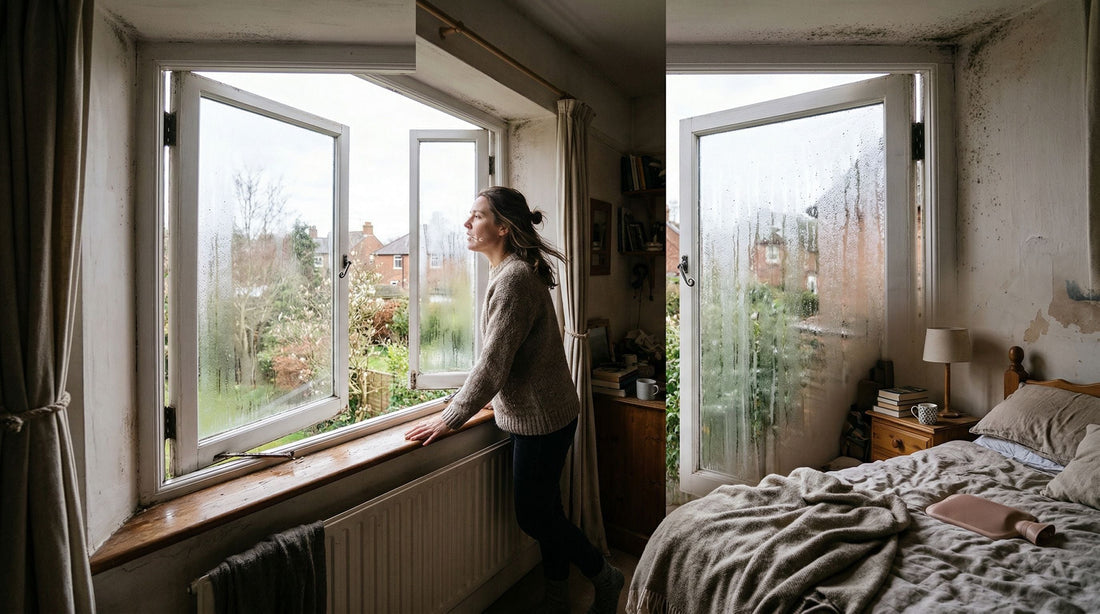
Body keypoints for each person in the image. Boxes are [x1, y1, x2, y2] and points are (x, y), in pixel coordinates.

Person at [404, 186, 624, 614]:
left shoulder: (514, 279)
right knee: (549, 512)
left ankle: (604, 575)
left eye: (477, 216)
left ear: (502, 227)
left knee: (534, 516)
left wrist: (450, 417)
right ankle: (558, 598)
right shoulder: (509, 271)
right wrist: (484, 401)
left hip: (543, 420)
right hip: (548, 411)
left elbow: (493, 364)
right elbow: (508, 357)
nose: (467, 223)